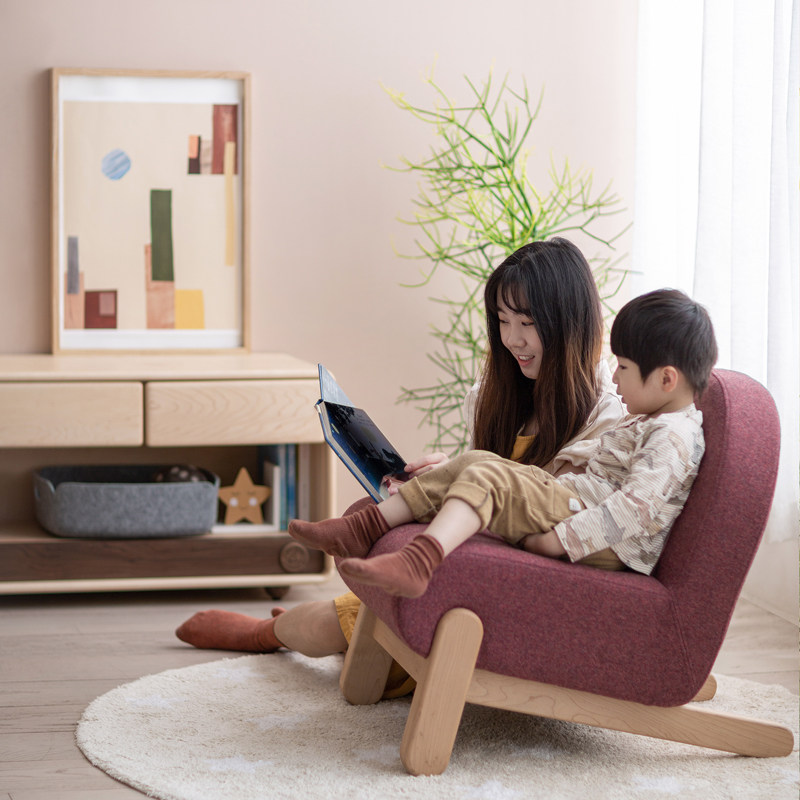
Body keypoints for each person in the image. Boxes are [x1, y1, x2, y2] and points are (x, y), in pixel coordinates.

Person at [175, 238, 625, 669]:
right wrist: (444, 479)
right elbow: (492, 488)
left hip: (526, 579)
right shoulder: (504, 397)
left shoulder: (609, 424)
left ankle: (266, 634)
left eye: (527, 324)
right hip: (477, 553)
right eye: (502, 321)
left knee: (351, 624)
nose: (512, 339)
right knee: (371, 605)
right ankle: (283, 625)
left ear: (570, 323)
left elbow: (557, 514)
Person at [290, 288, 717, 598]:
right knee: (477, 461)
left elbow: (635, 508)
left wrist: (563, 540)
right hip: (576, 506)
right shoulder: (651, 418)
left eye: (624, 366)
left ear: (666, 379)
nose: (615, 374)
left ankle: (419, 561)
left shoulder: (672, 435)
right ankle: (358, 530)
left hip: (600, 540)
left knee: (489, 473)